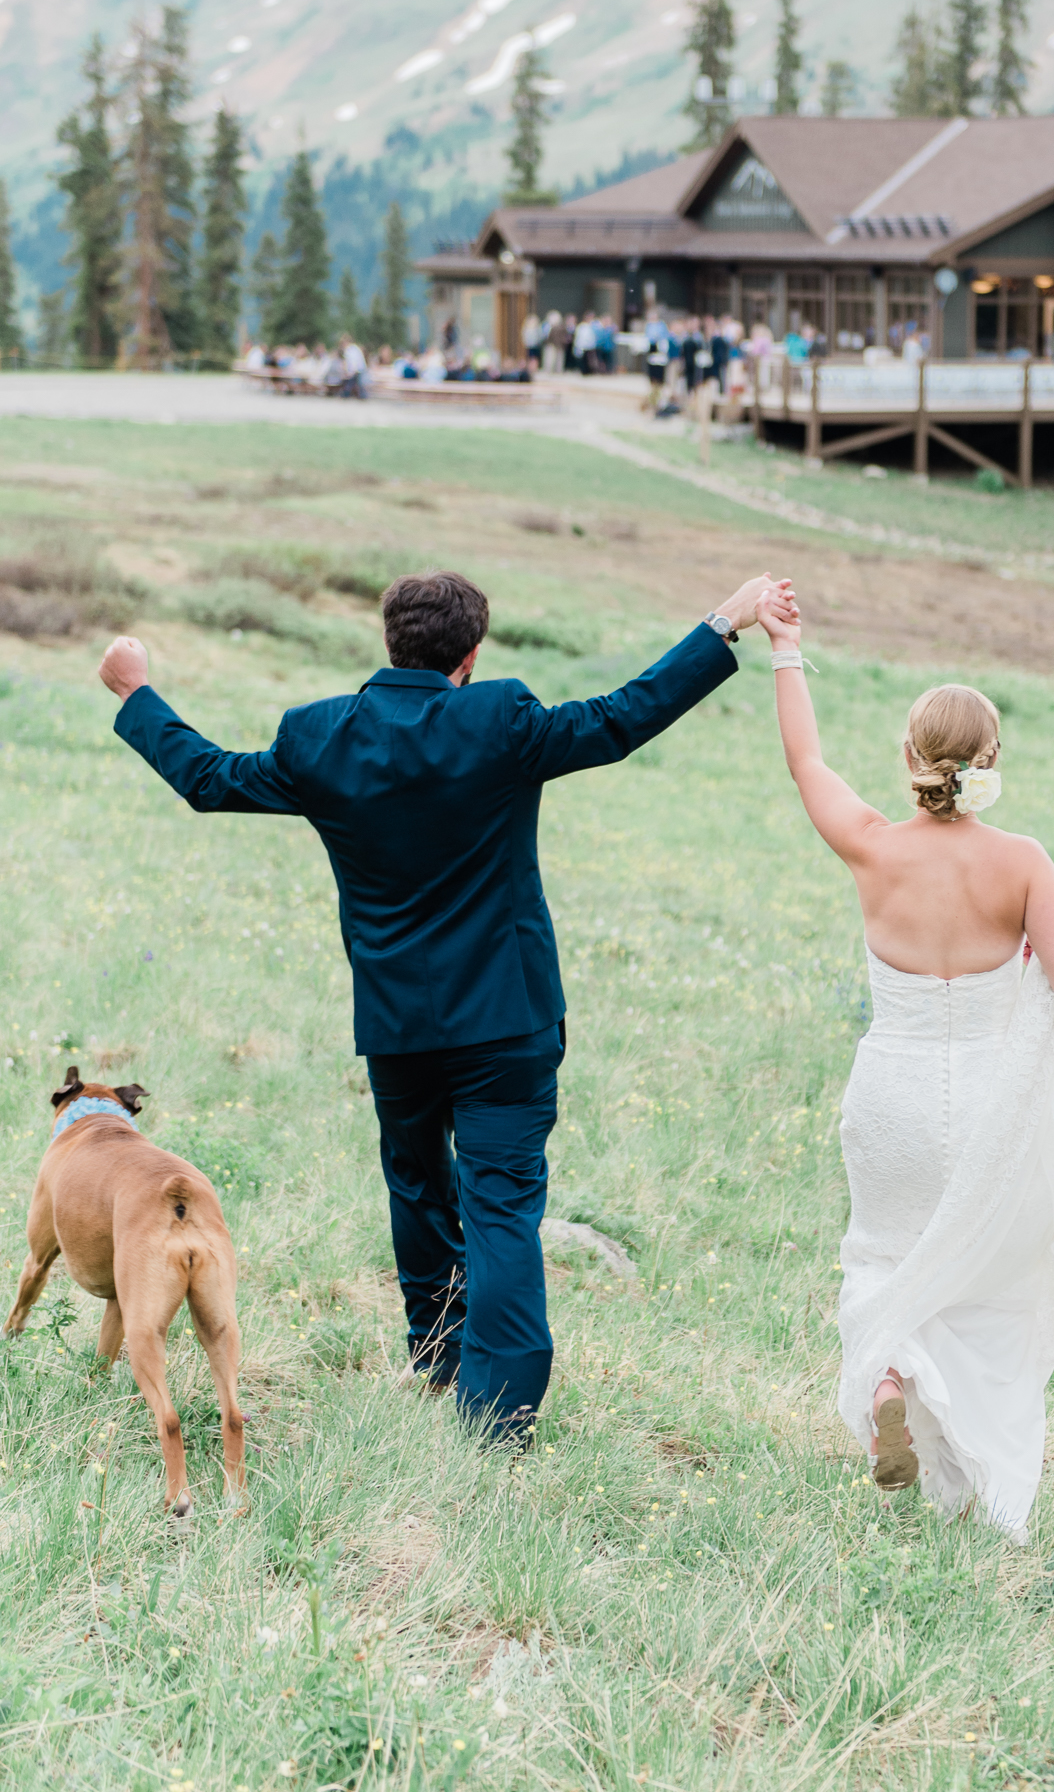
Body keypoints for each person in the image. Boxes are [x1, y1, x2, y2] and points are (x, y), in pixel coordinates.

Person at [97, 568, 795, 1449]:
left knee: (419, 1181)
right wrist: (724, 621)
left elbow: (207, 777)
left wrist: (137, 690)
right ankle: (496, 1416)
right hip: (506, 1020)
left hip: (399, 1026)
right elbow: (624, 717)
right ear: (471, 655)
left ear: (390, 642)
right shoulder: (500, 719)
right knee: (500, 1206)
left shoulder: (319, 737)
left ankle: (435, 1354)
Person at [755, 594, 1054, 1538]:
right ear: (989, 765)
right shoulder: (1021, 862)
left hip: (893, 1097)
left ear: (911, 759)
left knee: (887, 1255)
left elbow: (805, 762)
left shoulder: (871, 847)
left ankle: (893, 1373)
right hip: (992, 1109)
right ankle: (981, 1494)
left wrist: (786, 648)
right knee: (991, 1285)